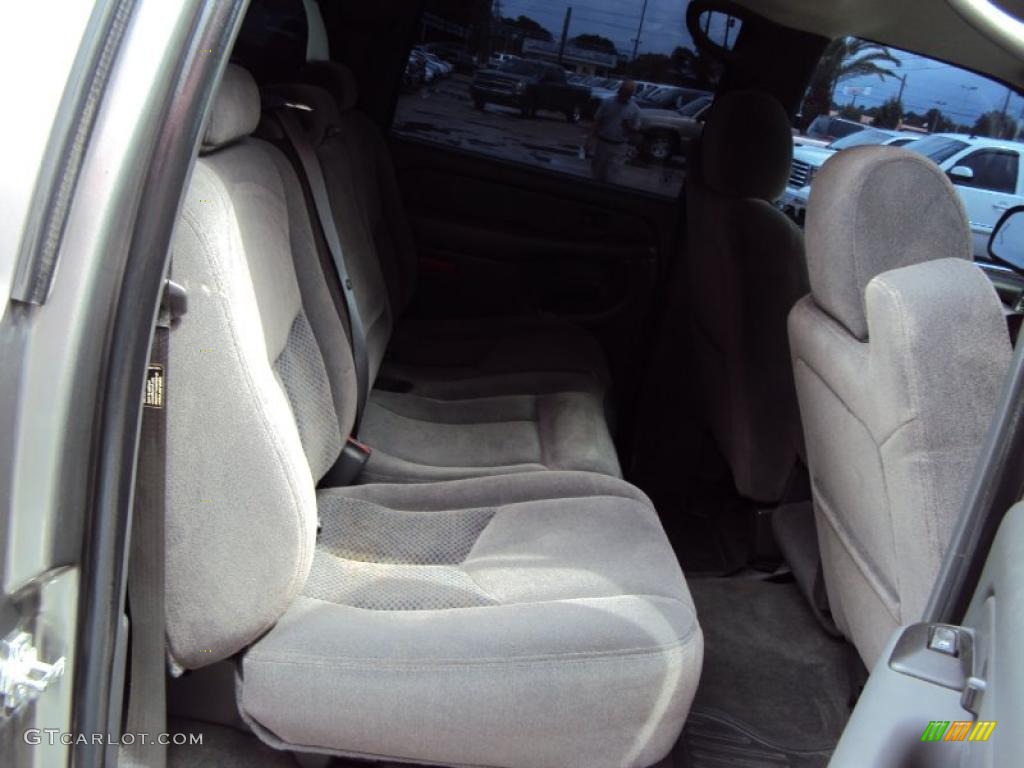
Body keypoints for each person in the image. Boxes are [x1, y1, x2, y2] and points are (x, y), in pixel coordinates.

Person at [587, 80, 640, 183]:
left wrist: (628, 127)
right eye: (624, 92)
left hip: (619, 147)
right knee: (596, 174)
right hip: (603, 143)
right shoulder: (607, 103)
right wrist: (590, 140)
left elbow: (635, 131)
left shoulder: (635, 109)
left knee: (612, 177)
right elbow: (597, 121)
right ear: (619, 90)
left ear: (631, 94)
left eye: (628, 93)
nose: (625, 95)